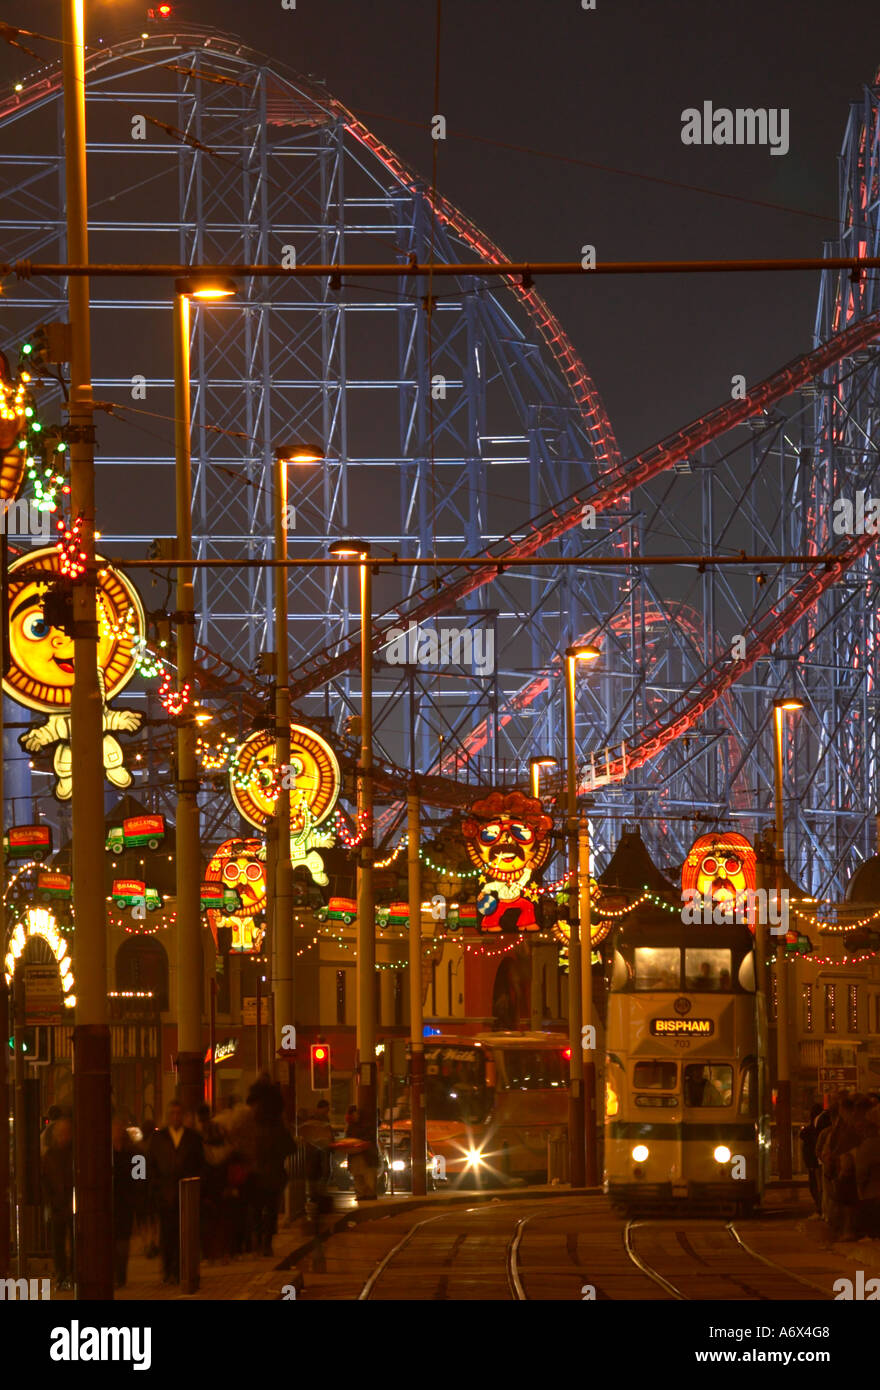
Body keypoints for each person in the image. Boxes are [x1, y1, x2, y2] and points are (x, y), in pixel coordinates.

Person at [148, 1100, 204, 1284]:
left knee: (184, 1234)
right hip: (166, 1194)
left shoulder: (193, 1138)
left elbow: (199, 1164)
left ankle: (180, 1269)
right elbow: (151, 1164)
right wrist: (154, 1186)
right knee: (167, 1234)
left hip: (186, 1193)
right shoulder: (159, 1138)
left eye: (179, 1113)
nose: (175, 1117)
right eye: (172, 1113)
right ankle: (168, 1269)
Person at [247, 1075, 294, 1256]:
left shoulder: (252, 1126)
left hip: (256, 1173)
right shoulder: (277, 1126)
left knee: (256, 1209)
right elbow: (290, 1147)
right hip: (274, 1173)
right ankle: (266, 1243)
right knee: (271, 1209)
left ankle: (258, 1240)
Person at [41, 1115, 74, 1291]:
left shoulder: (74, 1153)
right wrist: (50, 1200)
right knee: (58, 1244)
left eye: (66, 1133)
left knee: (75, 1242)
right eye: (61, 1133)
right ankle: (62, 1275)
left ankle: (72, 1274)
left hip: (71, 1205)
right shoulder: (50, 1156)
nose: (64, 1136)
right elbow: (45, 1181)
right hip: (57, 1205)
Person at [112, 1118, 138, 1288]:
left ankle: (120, 1275)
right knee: (113, 1242)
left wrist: (137, 1197)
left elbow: (141, 1177)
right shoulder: (105, 1154)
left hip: (125, 1203)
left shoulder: (134, 1154)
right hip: (111, 1203)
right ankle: (115, 1275)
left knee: (122, 1242)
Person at [345, 1105, 380, 1201]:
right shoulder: (357, 1126)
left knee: (364, 1176)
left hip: (362, 1155)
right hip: (361, 1155)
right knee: (361, 1175)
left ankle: (365, 1194)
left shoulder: (353, 1127)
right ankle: (366, 1194)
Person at [799, 1102, 824, 1215]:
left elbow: (803, 1135)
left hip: (814, 1161)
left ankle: (820, 1209)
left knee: (816, 1186)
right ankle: (820, 1209)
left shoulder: (814, 1127)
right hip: (814, 1161)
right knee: (817, 1186)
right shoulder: (816, 1126)